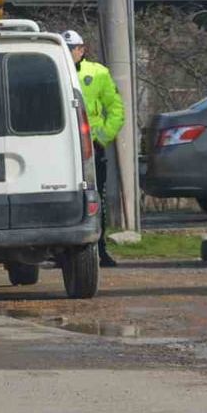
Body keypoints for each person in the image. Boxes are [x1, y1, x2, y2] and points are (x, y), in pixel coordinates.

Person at [64, 30, 126, 268]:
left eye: (74, 49)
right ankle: (65, 251)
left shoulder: (98, 73)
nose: (70, 54)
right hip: (65, 148)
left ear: (82, 50)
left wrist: (102, 138)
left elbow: (116, 109)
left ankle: (100, 250)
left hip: (92, 148)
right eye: (67, 49)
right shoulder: (54, 69)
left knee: (96, 199)